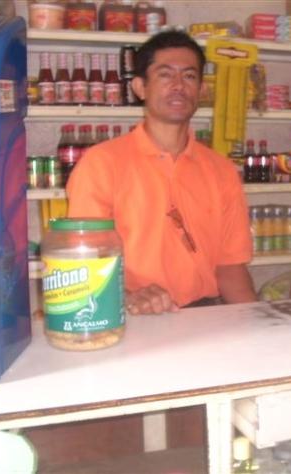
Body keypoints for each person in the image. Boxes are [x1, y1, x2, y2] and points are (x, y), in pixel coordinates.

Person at [67, 30, 257, 314]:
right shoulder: (101, 164)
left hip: (205, 316)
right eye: (165, 75)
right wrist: (127, 297)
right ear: (140, 87)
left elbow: (231, 268)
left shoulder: (222, 170)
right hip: (128, 315)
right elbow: (83, 262)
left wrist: (260, 324)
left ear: (202, 90)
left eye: (189, 76)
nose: (179, 85)